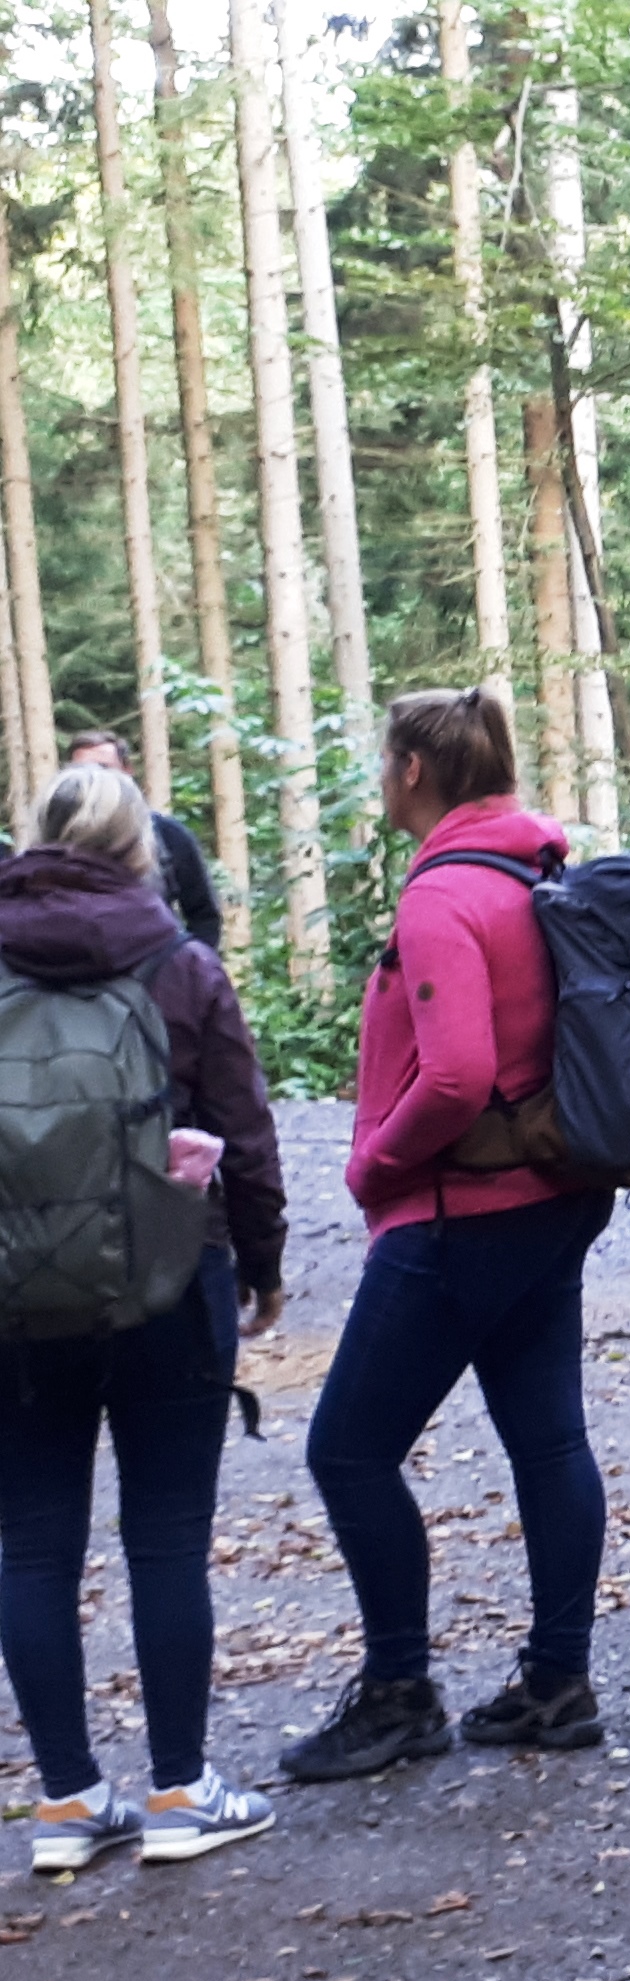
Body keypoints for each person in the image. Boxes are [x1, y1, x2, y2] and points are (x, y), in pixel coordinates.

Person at [285, 690, 621, 1783]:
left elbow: (458, 1074)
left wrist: (375, 1157)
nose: (382, 779)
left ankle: (396, 1693)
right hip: (553, 1198)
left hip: (455, 1216)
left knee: (346, 1447)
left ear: (418, 770)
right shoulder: (537, 870)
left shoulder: (442, 897)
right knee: (548, 1439)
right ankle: (558, 1683)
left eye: (386, 762)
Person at [0, 767, 284, 1868]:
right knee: (164, 1536)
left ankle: (67, 1805)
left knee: (32, 1546)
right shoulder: (180, 962)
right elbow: (245, 1132)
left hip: (17, 1300)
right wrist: (260, 1262)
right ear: (142, 855)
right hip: (172, 1280)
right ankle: (180, 1791)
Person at [57, 730, 221, 951]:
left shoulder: (169, 836)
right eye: (82, 770)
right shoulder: (54, 839)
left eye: (104, 768)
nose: (95, 779)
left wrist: (191, 970)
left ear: (127, 771)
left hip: (155, 971)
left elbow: (204, 915)